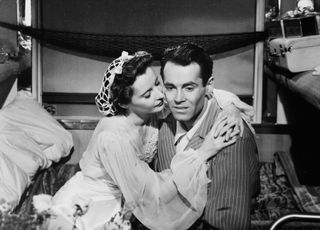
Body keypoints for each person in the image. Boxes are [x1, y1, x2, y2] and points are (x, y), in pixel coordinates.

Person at [37, 51, 247, 230]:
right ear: (125, 103)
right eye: (148, 93)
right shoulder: (113, 138)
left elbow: (202, 88)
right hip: (88, 203)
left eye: (157, 83)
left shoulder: (153, 108)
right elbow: (151, 192)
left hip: (121, 201)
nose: (160, 94)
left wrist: (231, 107)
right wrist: (204, 151)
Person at [155, 43, 260, 230]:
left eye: (189, 88)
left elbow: (226, 224)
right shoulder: (163, 120)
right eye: (171, 87)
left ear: (209, 86)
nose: (178, 99)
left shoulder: (229, 134)